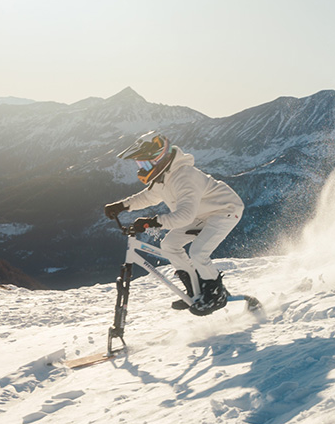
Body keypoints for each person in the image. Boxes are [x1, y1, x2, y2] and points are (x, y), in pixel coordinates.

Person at [104, 131, 244, 314]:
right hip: (201, 214)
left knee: (198, 252)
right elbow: (149, 196)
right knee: (169, 245)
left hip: (224, 211)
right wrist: (123, 205)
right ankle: (195, 289)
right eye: (139, 163)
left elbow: (184, 216)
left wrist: (152, 222)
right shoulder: (164, 177)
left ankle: (216, 295)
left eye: (144, 162)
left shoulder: (184, 177)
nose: (141, 168)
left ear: (159, 158)